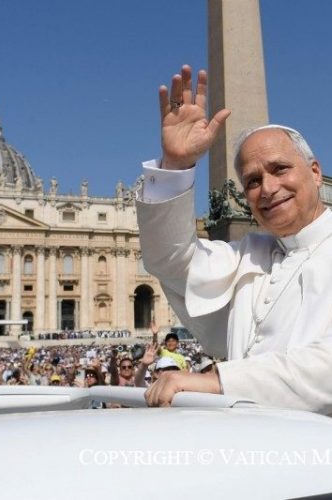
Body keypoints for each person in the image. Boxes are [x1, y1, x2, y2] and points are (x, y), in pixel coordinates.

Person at [137, 64, 332, 414]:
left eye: (279, 169)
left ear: (315, 172)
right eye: (252, 181)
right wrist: (175, 166)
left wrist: (220, 381)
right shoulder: (250, 256)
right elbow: (170, 261)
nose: (267, 189)